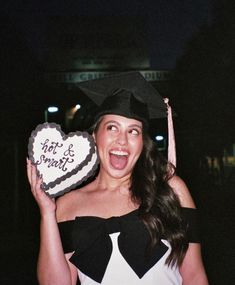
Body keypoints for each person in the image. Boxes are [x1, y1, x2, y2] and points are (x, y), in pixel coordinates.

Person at [27, 72, 209, 285]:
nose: (122, 140)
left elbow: (195, 275)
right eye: (112, 127)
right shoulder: (68, 205)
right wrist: (47, 212)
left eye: (133, 131)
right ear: (95, 136)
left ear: (142, 143)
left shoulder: (170, 190)